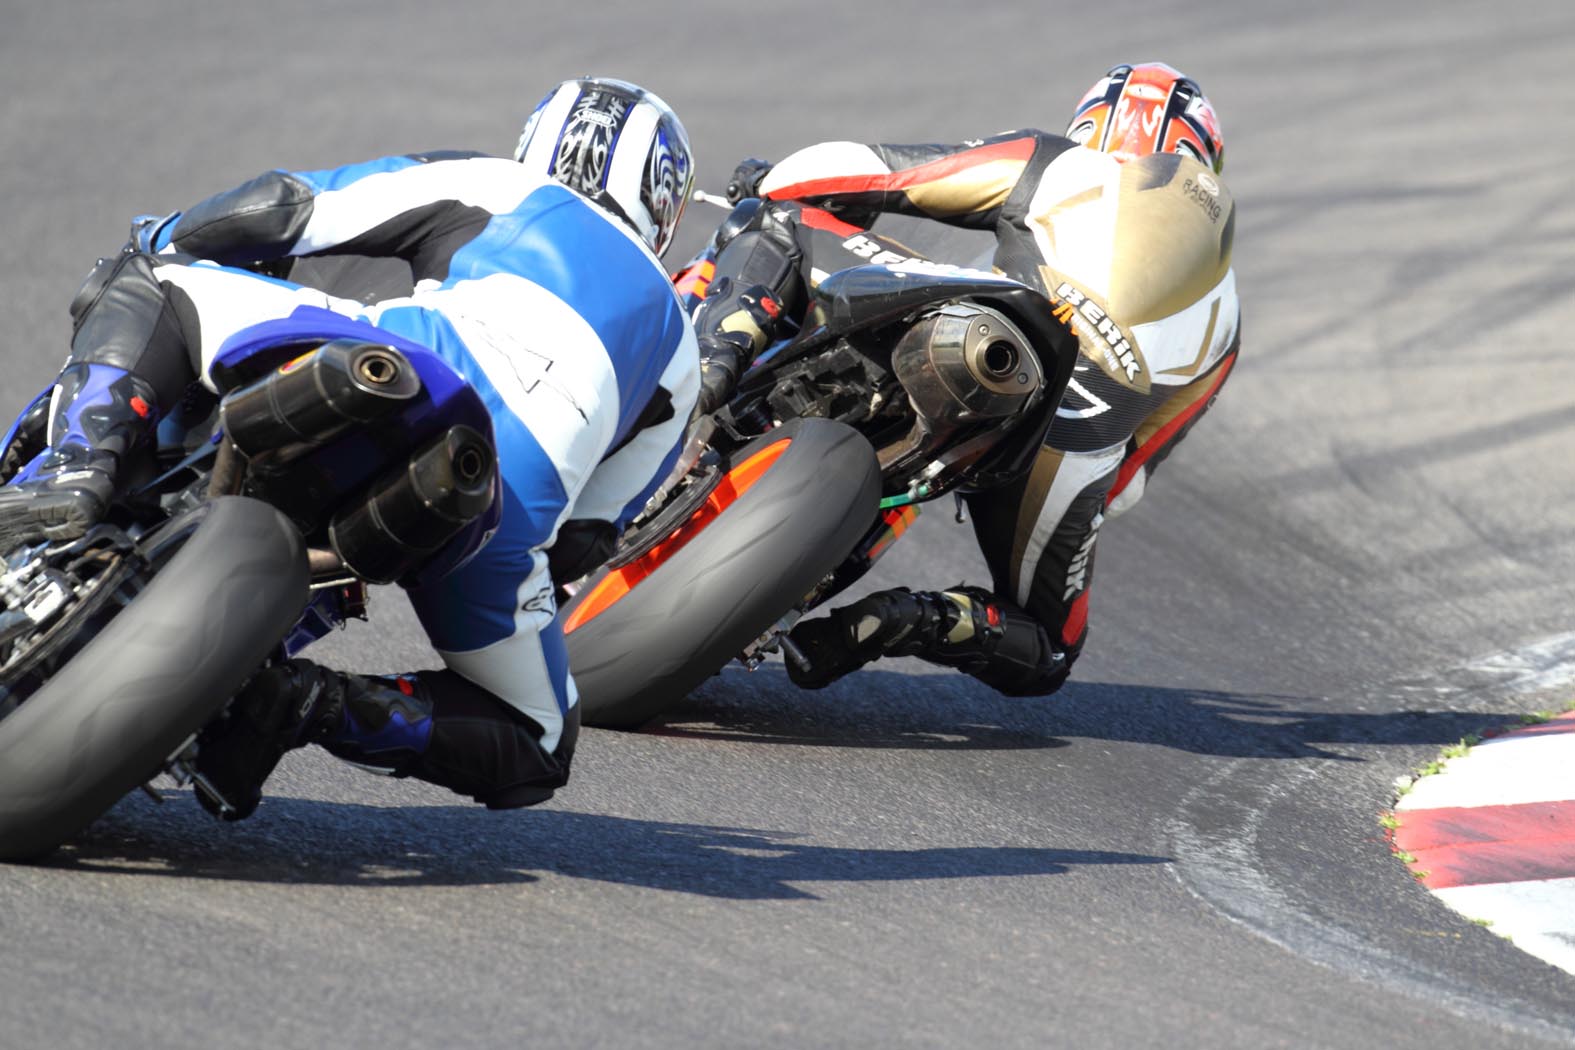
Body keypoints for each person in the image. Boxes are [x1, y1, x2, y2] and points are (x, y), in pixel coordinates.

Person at [0, 77, 701, 819]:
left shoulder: (505, 184)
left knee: (157, 280)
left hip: (406, 372)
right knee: (538, 738)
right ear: (663, 201)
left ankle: (72, 470)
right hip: (493, 511)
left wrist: (168, 235)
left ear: (543, 139)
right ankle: (304, 704)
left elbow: (284, 207)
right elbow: (586, 541)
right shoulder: (680, 357)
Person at [697, 62, 1240, 697]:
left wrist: (768, 179)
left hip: (971, 322)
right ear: (1203, 157)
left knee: (777, 216)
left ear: (1089, 127)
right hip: (1062, 439)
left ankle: (713, 364)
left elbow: (877, 171)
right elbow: (1123, 484)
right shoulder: (1225, 327)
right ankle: (913, 621)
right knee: (1051, 646)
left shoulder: (1063, 163)